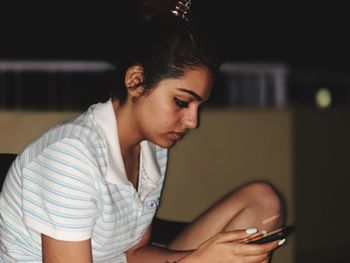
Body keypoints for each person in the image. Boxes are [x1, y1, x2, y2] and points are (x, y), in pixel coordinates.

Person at [0, 0, 286, 262]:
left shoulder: (152, 148)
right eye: (181, 102)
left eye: (199, 106)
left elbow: (135, 252)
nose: (192, 122)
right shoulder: (70, 159)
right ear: (136, 81)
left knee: (262, 202)